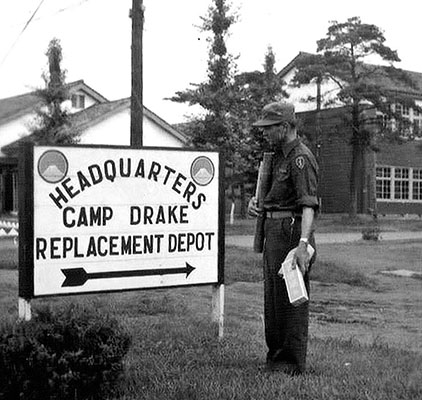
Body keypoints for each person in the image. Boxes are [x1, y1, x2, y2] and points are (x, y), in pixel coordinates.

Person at [248, 101, 319, 375]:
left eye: (269, 127)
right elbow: (270, 198)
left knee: (292, 300)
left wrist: (303, 245)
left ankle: (291, 363)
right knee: (274, 300)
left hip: (292, 233)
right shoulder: (275, 157)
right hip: (273, 231)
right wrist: (255, 206)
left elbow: (309, 206)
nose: (264, 133)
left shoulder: (300, 158)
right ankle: (276, 357)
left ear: (286, 127)